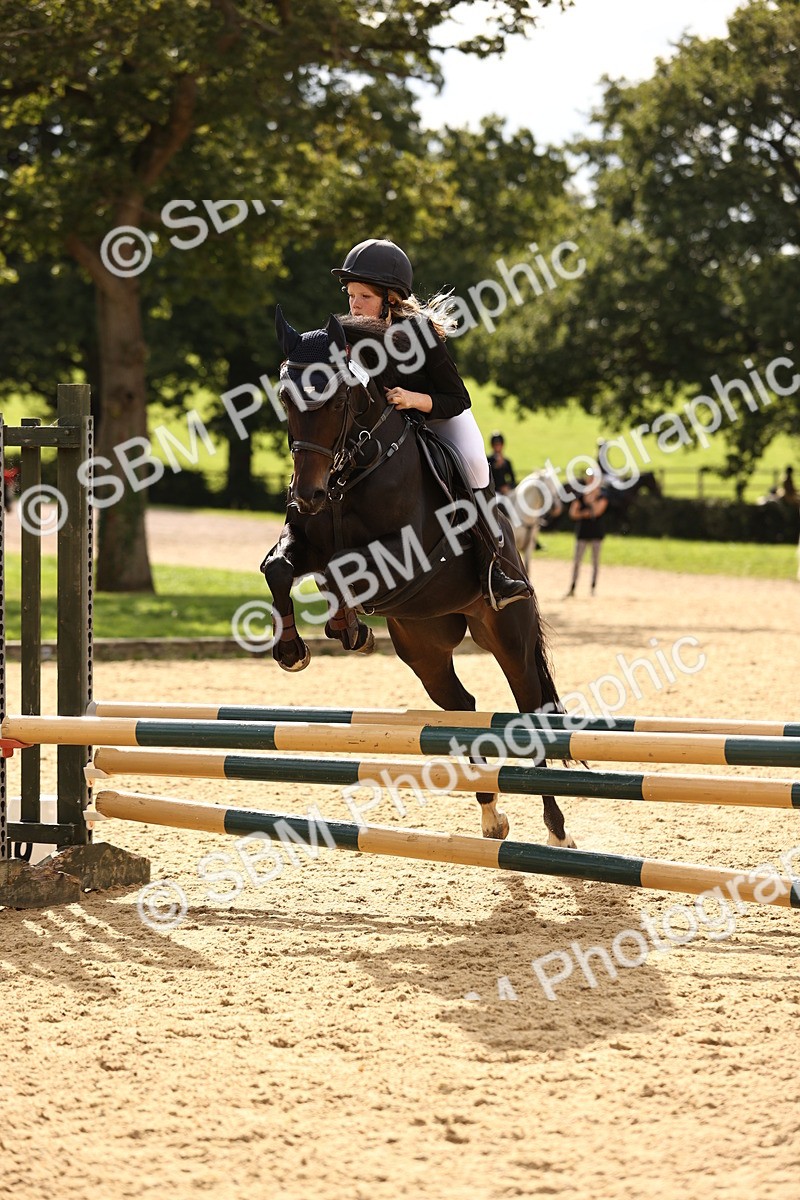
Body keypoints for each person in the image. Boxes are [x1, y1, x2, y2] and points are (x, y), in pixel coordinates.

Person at [331, 238, 531, 610]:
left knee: (475, 464)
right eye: (351, 295)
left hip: (440, 416)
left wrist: (413, 399)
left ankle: (494, 569)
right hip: (389, 429)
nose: (354, 305)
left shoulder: (419, 333)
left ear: (390, 299)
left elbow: (458, 398)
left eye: (364, 297)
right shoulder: (348, 336)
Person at [564, 470, 609, 597]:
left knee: (595, 562)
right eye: (590, 478)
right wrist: (585, 513)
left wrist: (591, 501)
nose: (591, 480)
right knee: (577, 561)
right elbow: (573, 513)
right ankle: (573, 587)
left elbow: (597, 511)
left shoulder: (602, 495)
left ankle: (593, 587)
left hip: (596, 533)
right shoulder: (580, 495)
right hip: (582, 532)